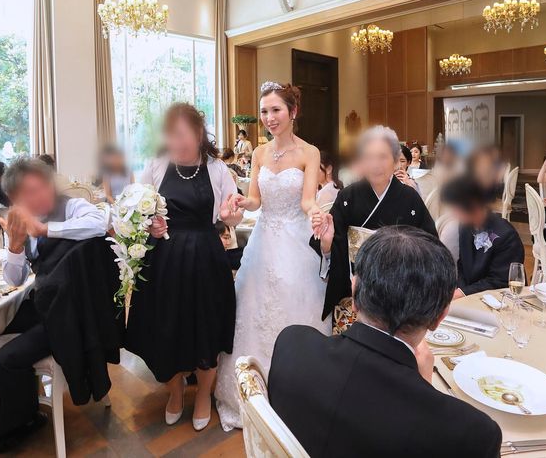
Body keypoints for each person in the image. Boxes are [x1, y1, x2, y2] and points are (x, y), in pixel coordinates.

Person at [268, 226, 502, 458]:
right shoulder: (470, 434)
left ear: (354, 293)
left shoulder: (292, 344)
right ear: (439, 317)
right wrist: (424, 390)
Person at [215, 81, 330, 432]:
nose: (269, 117)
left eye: (276, 110)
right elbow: (255, 200)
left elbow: (308, 199)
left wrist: (316, 212)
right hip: (263, 240)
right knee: (252, 311)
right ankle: (248, 393)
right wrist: (241, 201)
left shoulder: (309, 152)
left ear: (293, 112)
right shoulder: (260, 153)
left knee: (293, 309)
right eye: (264, 111)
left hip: (294, 241)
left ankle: (293, 395)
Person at [125, 103, 242, 432]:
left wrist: (231, 214)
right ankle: (175, 393)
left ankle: (203, 394)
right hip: (164, 261)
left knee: (207, 327)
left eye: (182, 134)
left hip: (206, 259)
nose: (177, 142)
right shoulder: (156, 165)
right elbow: (137, 211)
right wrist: (150, 225)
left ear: (199, 132)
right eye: (171, 135)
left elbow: (232, 214)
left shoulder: (217, 168)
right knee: (167, 328)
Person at [0, 157, 110, 452]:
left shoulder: (71, 207)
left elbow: (99, 223)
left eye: (42, 187)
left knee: (7, 358)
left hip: (67, 314)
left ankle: (23, 422)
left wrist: (44, 230)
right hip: (42, 302)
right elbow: (14, 279)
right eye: (28, 193)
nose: (40, 196)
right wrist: (15, 246)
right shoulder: (20, 221)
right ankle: (11, 397)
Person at [312, 126, 437, 321]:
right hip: (353, 292)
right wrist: (327, 245)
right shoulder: (348, 197)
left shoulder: (410, 199)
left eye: (383, 157)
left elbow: (430, 246)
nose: (376, 164)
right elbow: (334, 246)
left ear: (395, 161)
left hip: (399, 293)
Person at [440, 175, 524, 298]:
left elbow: (500, 282)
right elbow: (462, 265)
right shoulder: (465, 226)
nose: (453, 213)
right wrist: (460, 290)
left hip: (501, 299)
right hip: (472, 295)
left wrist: (462, 293)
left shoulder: (506, 236)